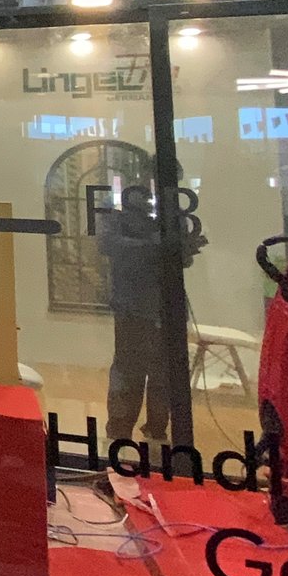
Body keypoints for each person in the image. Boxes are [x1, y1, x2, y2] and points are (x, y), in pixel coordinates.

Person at [99, 181, 203, 442]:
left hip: (163, 306)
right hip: (133, 306)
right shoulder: (118, 217)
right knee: (130, 371)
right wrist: (157, 245)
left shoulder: (169, 217)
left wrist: (179, 246)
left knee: (161, 373)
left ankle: (155, 429)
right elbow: (109, 245)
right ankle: (120, 431)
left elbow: (183, 258)